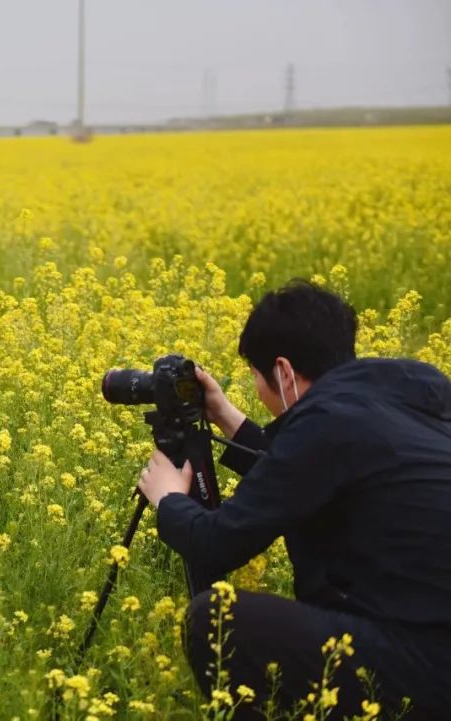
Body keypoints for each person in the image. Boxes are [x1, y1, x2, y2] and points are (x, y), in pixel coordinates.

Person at [136, 280, 451, 720]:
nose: (261, 393)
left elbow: (217, 543)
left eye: (258, 378)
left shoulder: (327, 422)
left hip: (425, 666)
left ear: (283, 371)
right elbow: (311, 471)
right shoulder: (413, 395)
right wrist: (227, 417)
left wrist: (169, 499)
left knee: (218, 619)